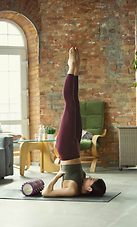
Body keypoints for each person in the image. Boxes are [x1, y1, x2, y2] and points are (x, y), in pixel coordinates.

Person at [42, 47, 106, 197]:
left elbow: (46, 193)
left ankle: (71, 67)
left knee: (69, 105)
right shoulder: (82, 181)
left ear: (89, 189)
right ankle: (76, 70)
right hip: (75, 147)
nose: (89, 177)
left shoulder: (72, 189)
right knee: (75, 103)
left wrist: (57, 176)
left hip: (65, 148)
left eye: (92, 180)